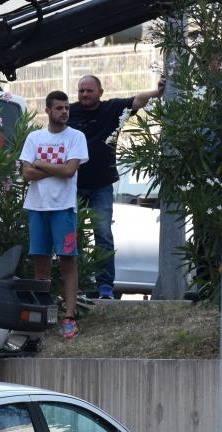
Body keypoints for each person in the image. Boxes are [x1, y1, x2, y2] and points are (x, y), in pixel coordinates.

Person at [68, 74, 165, 299]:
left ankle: (105, 288)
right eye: (81, 90)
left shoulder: (112, 109)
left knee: (103, 236)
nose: (84, 94)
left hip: (101, 187)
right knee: (73, 237)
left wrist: (157, 92)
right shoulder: (69, 112)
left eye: (89, 90)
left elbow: (137, 100)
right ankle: (78, 286)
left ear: (100, 92)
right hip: (73, 186)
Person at [20, 90, 88, 339]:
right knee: (41, 264)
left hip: (63, 209)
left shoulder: (76, 137)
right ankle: (43, 316)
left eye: (67, 108)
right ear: (47, 110)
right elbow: (26, 174)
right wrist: (55, 169)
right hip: (37, 208)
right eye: (59, 108)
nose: (64, 112)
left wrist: (40, 164)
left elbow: (70, 171)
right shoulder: (34, 138)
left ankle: (69, 317)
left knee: (68, 262)